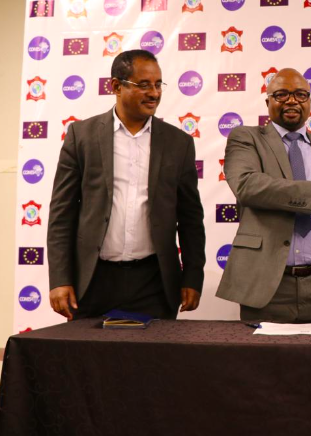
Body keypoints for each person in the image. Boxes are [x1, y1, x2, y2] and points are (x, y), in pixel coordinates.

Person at [47, 49, 206, 320]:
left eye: (158, 85)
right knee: (89, 361)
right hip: (93, 279)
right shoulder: (81, 136)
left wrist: (192, 276)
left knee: (152, 362)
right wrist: (60, 279)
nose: (154, 93)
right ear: (116, 87)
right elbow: (62, 214)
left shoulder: (178, 143)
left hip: (154, 282)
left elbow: (190, 216)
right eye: (143, 85)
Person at [215, 68, 311, 322]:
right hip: (267, 285)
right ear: (267, 101)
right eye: (281, 94)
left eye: (301, 94)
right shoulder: (246, 138)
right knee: (262, 362)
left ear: (310, 102)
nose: (292, 101)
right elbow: (247, 185)